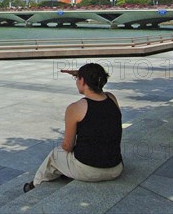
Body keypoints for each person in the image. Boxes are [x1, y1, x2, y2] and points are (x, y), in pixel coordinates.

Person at [23, 63, 123, 192]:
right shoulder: (112, 98)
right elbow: (98, 99)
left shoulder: (75, 108)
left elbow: (67, 146)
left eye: (77, 78)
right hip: (116, 168)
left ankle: (34, 186)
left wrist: (83, 74)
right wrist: (84, 74)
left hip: (89, 171)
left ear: (82, 81)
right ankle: (66, 172)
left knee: (56, 154)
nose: (76, 81)